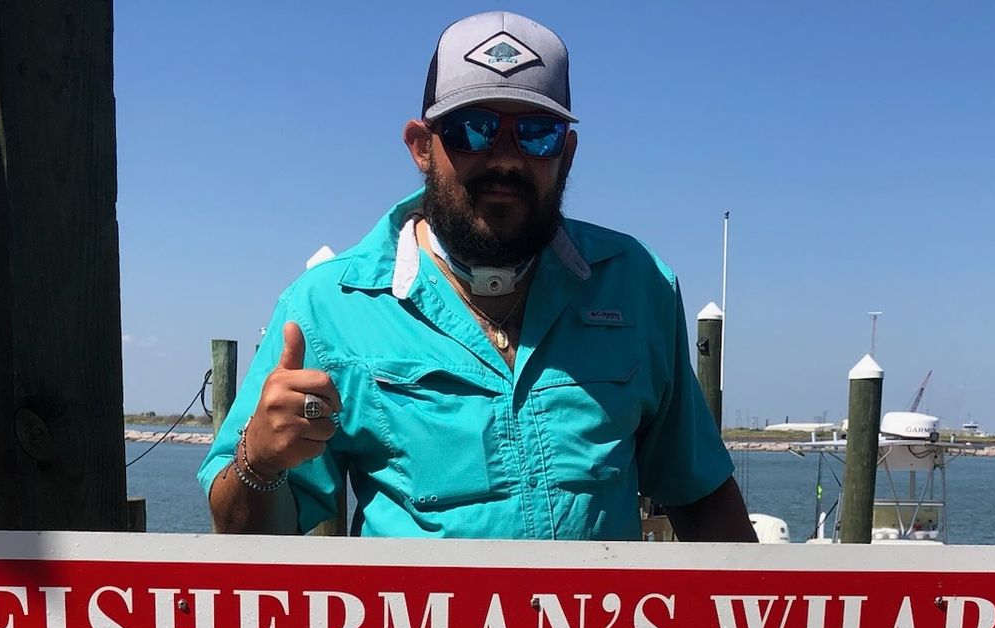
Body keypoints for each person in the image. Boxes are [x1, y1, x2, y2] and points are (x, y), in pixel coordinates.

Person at [201, 10, 755, 544]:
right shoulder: (327, 307)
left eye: (536, 133)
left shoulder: (640, 285)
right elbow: (245, 539)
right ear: (422, 146)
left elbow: (701, 495)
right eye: (473, 129)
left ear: (567, 151)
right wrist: (260, 461)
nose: (506, 159)